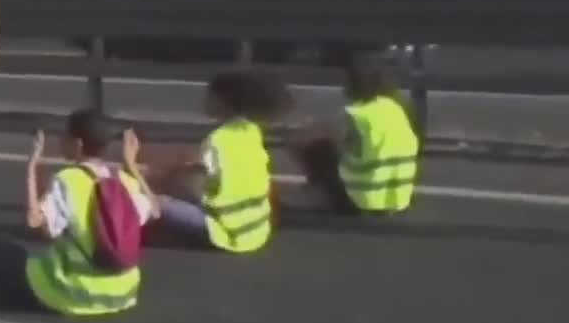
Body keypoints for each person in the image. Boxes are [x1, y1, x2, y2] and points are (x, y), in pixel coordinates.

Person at [0, 108, 158, 316]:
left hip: (76, 293)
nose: (61, 140)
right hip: (124, 293)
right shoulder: (123, 180)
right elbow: (155, 210)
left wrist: (31, 166)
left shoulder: (68, 180)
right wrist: (131, 165)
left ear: (78, 145)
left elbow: (33, 220)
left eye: (65, 136)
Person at [149, 69, 290, 254]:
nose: (204, 101)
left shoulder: (217, 140)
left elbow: (194, 186)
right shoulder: (251, 130)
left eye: (210, 96)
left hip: (229, 232)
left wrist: (164, 179)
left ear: (223, 102)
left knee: (156, 201)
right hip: (257, 229)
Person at [292, 52, 420, 215]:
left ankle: (322, 197)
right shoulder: (399, 109)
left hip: (360, 203)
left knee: (316, 148)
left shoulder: (355, 114)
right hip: (398, 200)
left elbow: (306, 140)